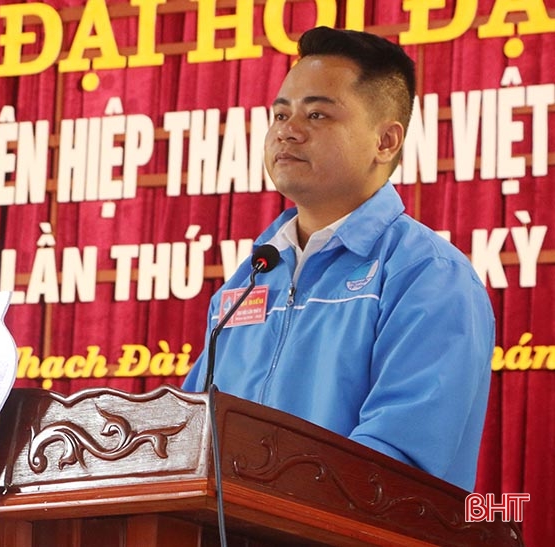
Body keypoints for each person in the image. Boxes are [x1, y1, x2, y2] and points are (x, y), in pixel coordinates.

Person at [182, 26, 494, 491]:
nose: (288, 130)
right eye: (281, 114)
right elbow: (191, 430)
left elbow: (395, 461)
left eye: (318, 115)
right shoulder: (251, 277)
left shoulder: (427, 275)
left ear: (385, 142)